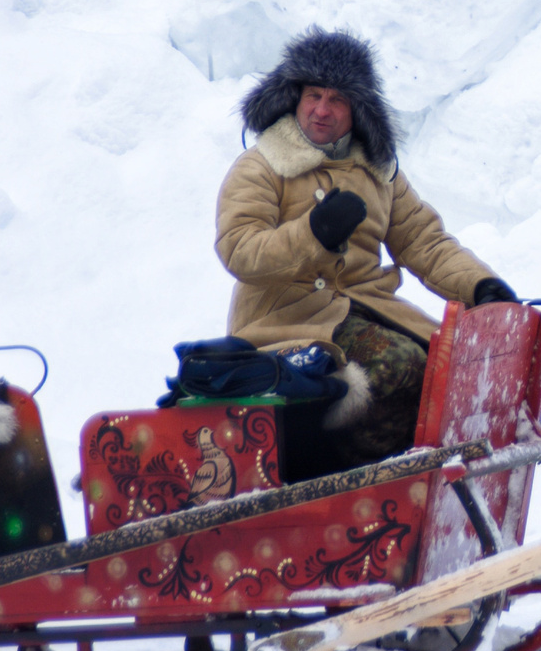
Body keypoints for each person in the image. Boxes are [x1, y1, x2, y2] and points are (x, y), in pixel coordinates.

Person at [216, 28, 519, 470]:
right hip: (284, 321)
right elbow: (239, 249)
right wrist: (312, 234)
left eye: (336, 99)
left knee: (451, 367)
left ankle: (398, 473)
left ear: (357, 109)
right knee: (399, 364)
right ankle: (340, 475)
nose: (322, 110)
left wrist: (482, 286)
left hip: (365, 311)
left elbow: (424, 241)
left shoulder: (379, 172)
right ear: (294, 97)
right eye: (313, 95)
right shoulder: (260, 166)